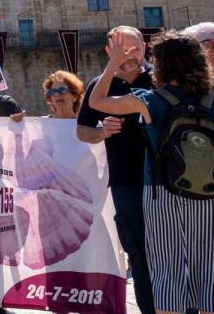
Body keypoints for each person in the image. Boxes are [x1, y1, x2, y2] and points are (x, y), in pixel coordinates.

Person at [87, 29, 214, 314]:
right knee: (208, 273)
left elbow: (97, 102)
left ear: (162, 65)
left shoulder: (150, 100)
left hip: (160, 194)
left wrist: (112, 63)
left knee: (166, 272)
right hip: (208, 195)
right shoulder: (211, 99)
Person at [76, 26, 156, 314]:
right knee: (140, 255)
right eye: (122, 51)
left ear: (145, 47)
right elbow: (82, 130)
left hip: (165, 182)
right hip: (126, 183)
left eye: (134, 48)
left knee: (174, 254)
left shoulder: (160, 78)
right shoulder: (100, 84)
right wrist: (102, 133)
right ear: (109, 52)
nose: (130, 55)